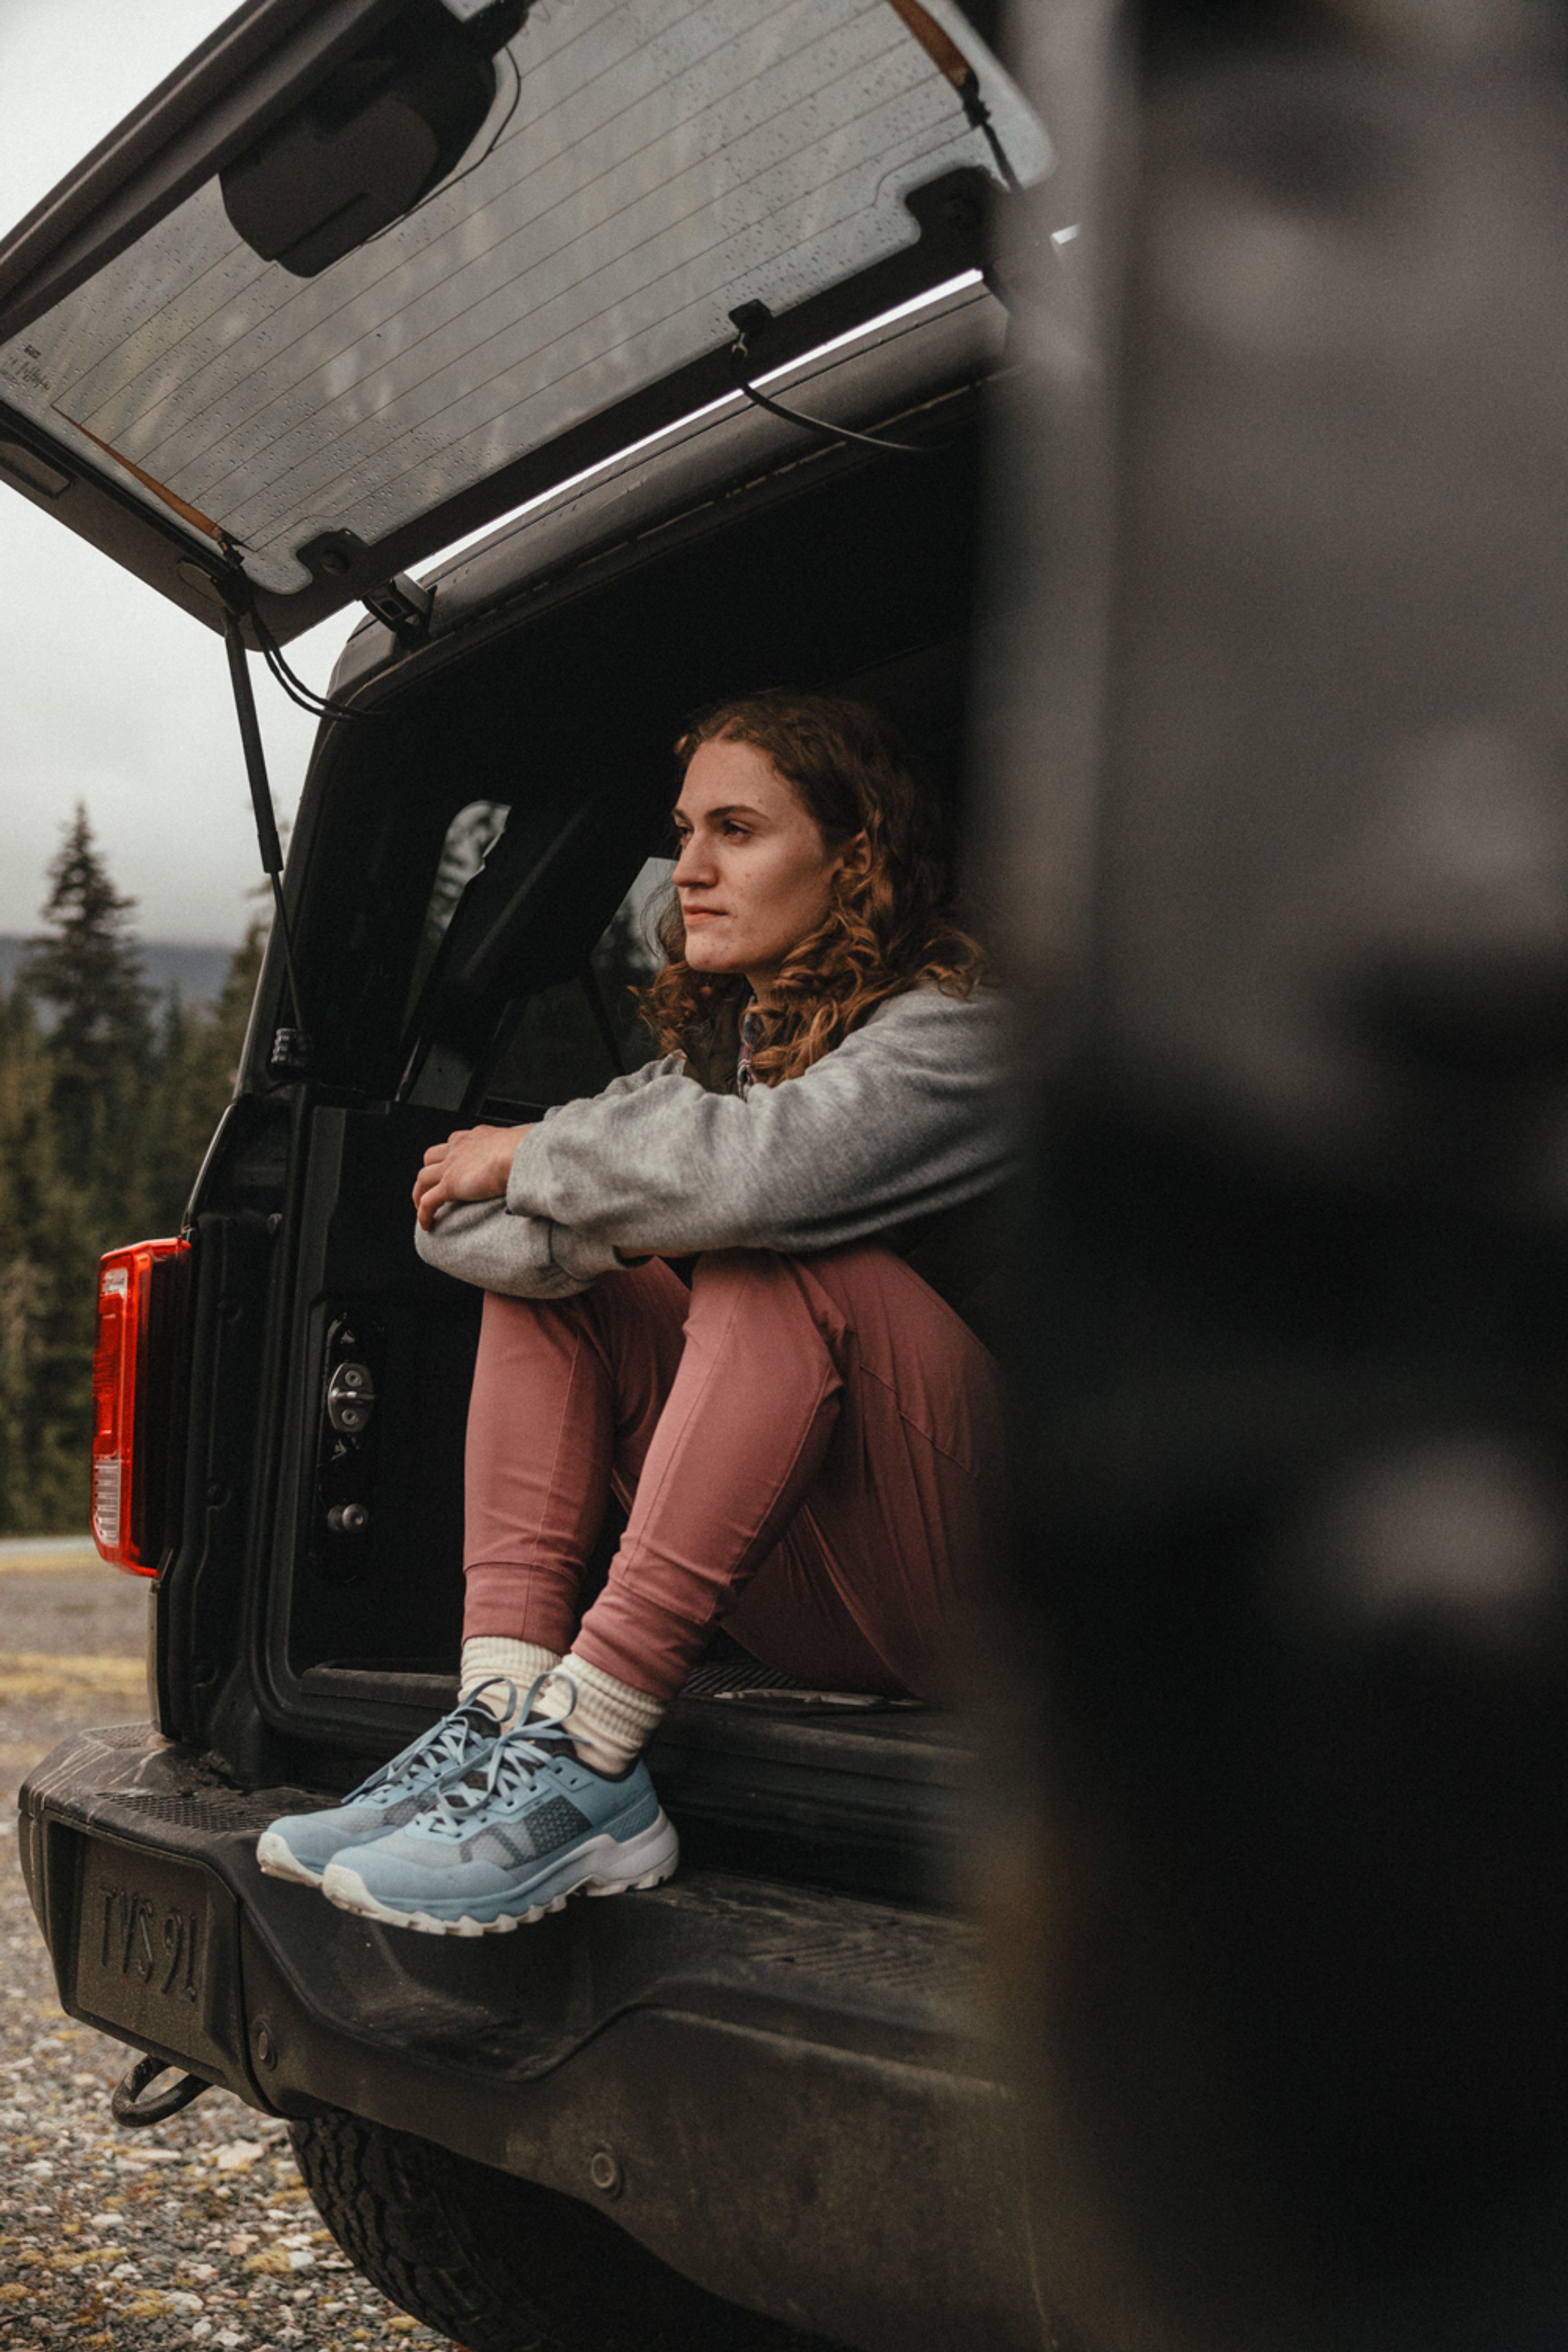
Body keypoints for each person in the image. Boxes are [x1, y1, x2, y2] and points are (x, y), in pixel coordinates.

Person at [258, 691, 1013, 1934]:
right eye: (684, 832)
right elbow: (452, 1221)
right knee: (553, 1276)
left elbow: (765, 1179)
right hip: (808, 1603)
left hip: (990, 1603)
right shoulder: (705, 1075)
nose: (692, 869)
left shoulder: (958, 1044)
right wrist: (602, 1196)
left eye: (737, 830)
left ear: (856, 857)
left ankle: (595, 1751)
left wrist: (550, 1162)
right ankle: (500, 1720)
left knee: (775, 1254)